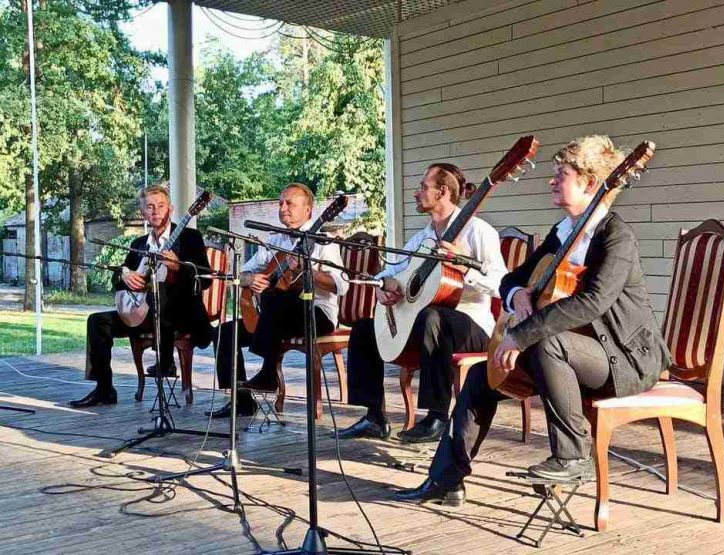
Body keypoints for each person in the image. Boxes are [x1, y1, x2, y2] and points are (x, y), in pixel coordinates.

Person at [395, 135, 671, 506]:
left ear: (590, 183)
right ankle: (446, 479)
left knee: (545, 340)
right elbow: (511, 278)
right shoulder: (562, 233)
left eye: (562, 173)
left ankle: (574, 455)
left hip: (623, 358)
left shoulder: (615, 236)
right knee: (482, 374)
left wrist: (520, 336)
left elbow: (592, 302)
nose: (552, 180)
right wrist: (517, 295)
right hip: (571, 353)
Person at [335, 163, 508, 443]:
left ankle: (437, 416)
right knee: (364, 330)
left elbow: (502, 283)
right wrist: (383, 286)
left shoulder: (479, 231)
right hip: (428, 326)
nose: (416, 193)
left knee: (433, 317)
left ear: (442, 192)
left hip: (472, 325)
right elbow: (390, 272)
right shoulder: (423, 237)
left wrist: (465, 268)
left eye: (422, 187)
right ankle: (374, 417)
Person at [207, 183, 348, 418]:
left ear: (309, 211)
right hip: (276, 319)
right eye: (281, 203)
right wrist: (252, 279)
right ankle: (242, 402)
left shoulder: (324, 240)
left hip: (316, 314)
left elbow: (342, 285)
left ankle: (268, 372)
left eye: (290, 203)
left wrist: (309, 272)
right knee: (223, 333)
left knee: (275, 297)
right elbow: (241, 275)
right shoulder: (275, 241)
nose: (283, 208)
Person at [70, 183, 213, 408]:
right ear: (142, 212)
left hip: (182, 314)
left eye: (161, 205)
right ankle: (104, 389)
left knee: (161, 292)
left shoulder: (190, 238)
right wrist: (125, 275)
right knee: (97, 321)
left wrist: (178, 267)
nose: (155, 211)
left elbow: (205, 280)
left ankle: (166, 362)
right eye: (149, 206)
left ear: (171, 209)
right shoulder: (138, 244)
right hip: (143, 313)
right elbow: (118, 282)